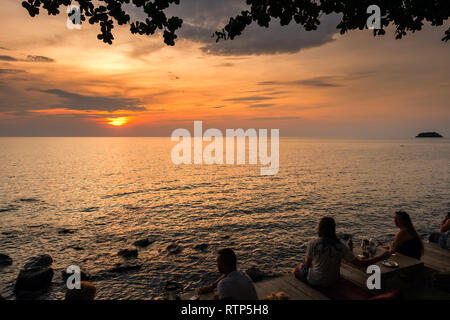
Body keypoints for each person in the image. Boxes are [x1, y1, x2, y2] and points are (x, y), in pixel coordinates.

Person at [294, 217, 390, 287]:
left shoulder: (313, 243)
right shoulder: (341, 244)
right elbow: (359, 263)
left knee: (299, 266)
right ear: (333, 229)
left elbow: (307, 265)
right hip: (333, 280)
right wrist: (381, 257)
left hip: (316, 281)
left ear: (320, 228)